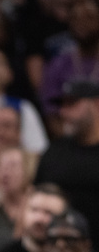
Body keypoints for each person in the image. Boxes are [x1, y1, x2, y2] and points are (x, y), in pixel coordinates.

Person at [37, 79, 99, 241]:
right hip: (58, 246)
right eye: (62, 106)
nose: (63, 113)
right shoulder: (54, 151)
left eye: (72, 104)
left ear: (96, 104)